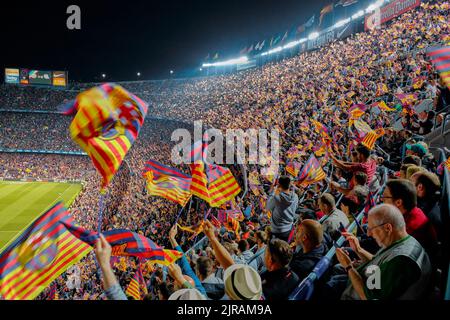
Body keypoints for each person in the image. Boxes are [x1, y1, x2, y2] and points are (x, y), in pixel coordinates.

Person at [338, 204, 431, 300]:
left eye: (371, 229)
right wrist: (358, 249)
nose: (368, 234)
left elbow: (368, 297)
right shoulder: (402, 241)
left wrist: (348, 266)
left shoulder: (401, 261)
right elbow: (379, 262)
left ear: (388, 228)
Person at [381, 179, 437, 254]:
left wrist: (359, 249)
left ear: (398, 202)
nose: (381, 200)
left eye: (385, 197)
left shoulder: (409, 230)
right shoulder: (413, 211)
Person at [266, 175, 299, 242]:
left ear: (279, 185)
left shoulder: (277, 198)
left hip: (277, 231)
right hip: (289, 228)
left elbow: (267, 207)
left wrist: (272, 193)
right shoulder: (295, 196)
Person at [410, 171, 442, 238]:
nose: (408, 188)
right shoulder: (435, 205)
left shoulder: (422, 215)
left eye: (410, 184)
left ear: (420, 187)